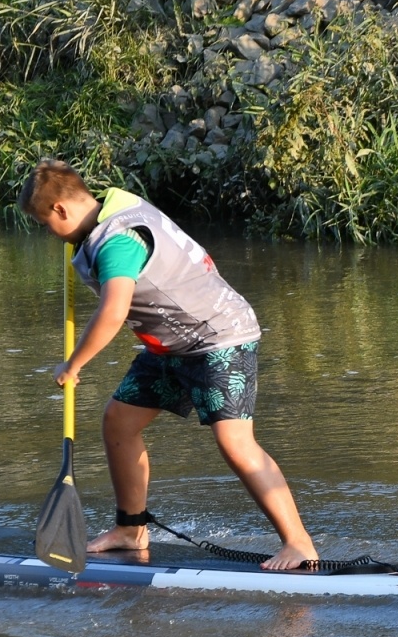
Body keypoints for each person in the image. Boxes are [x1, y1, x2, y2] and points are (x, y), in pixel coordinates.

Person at [18, 158, 319, 571]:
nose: (48, 234)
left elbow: (113, 311)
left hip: (219, 337)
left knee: (235, 442)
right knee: (119, 422)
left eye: (44, 224)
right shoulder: (107, 209)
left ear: (61, 209)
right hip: (172, 345)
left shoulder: (119, 241)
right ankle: (130, 529)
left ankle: (299, 543)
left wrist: (73, 364)